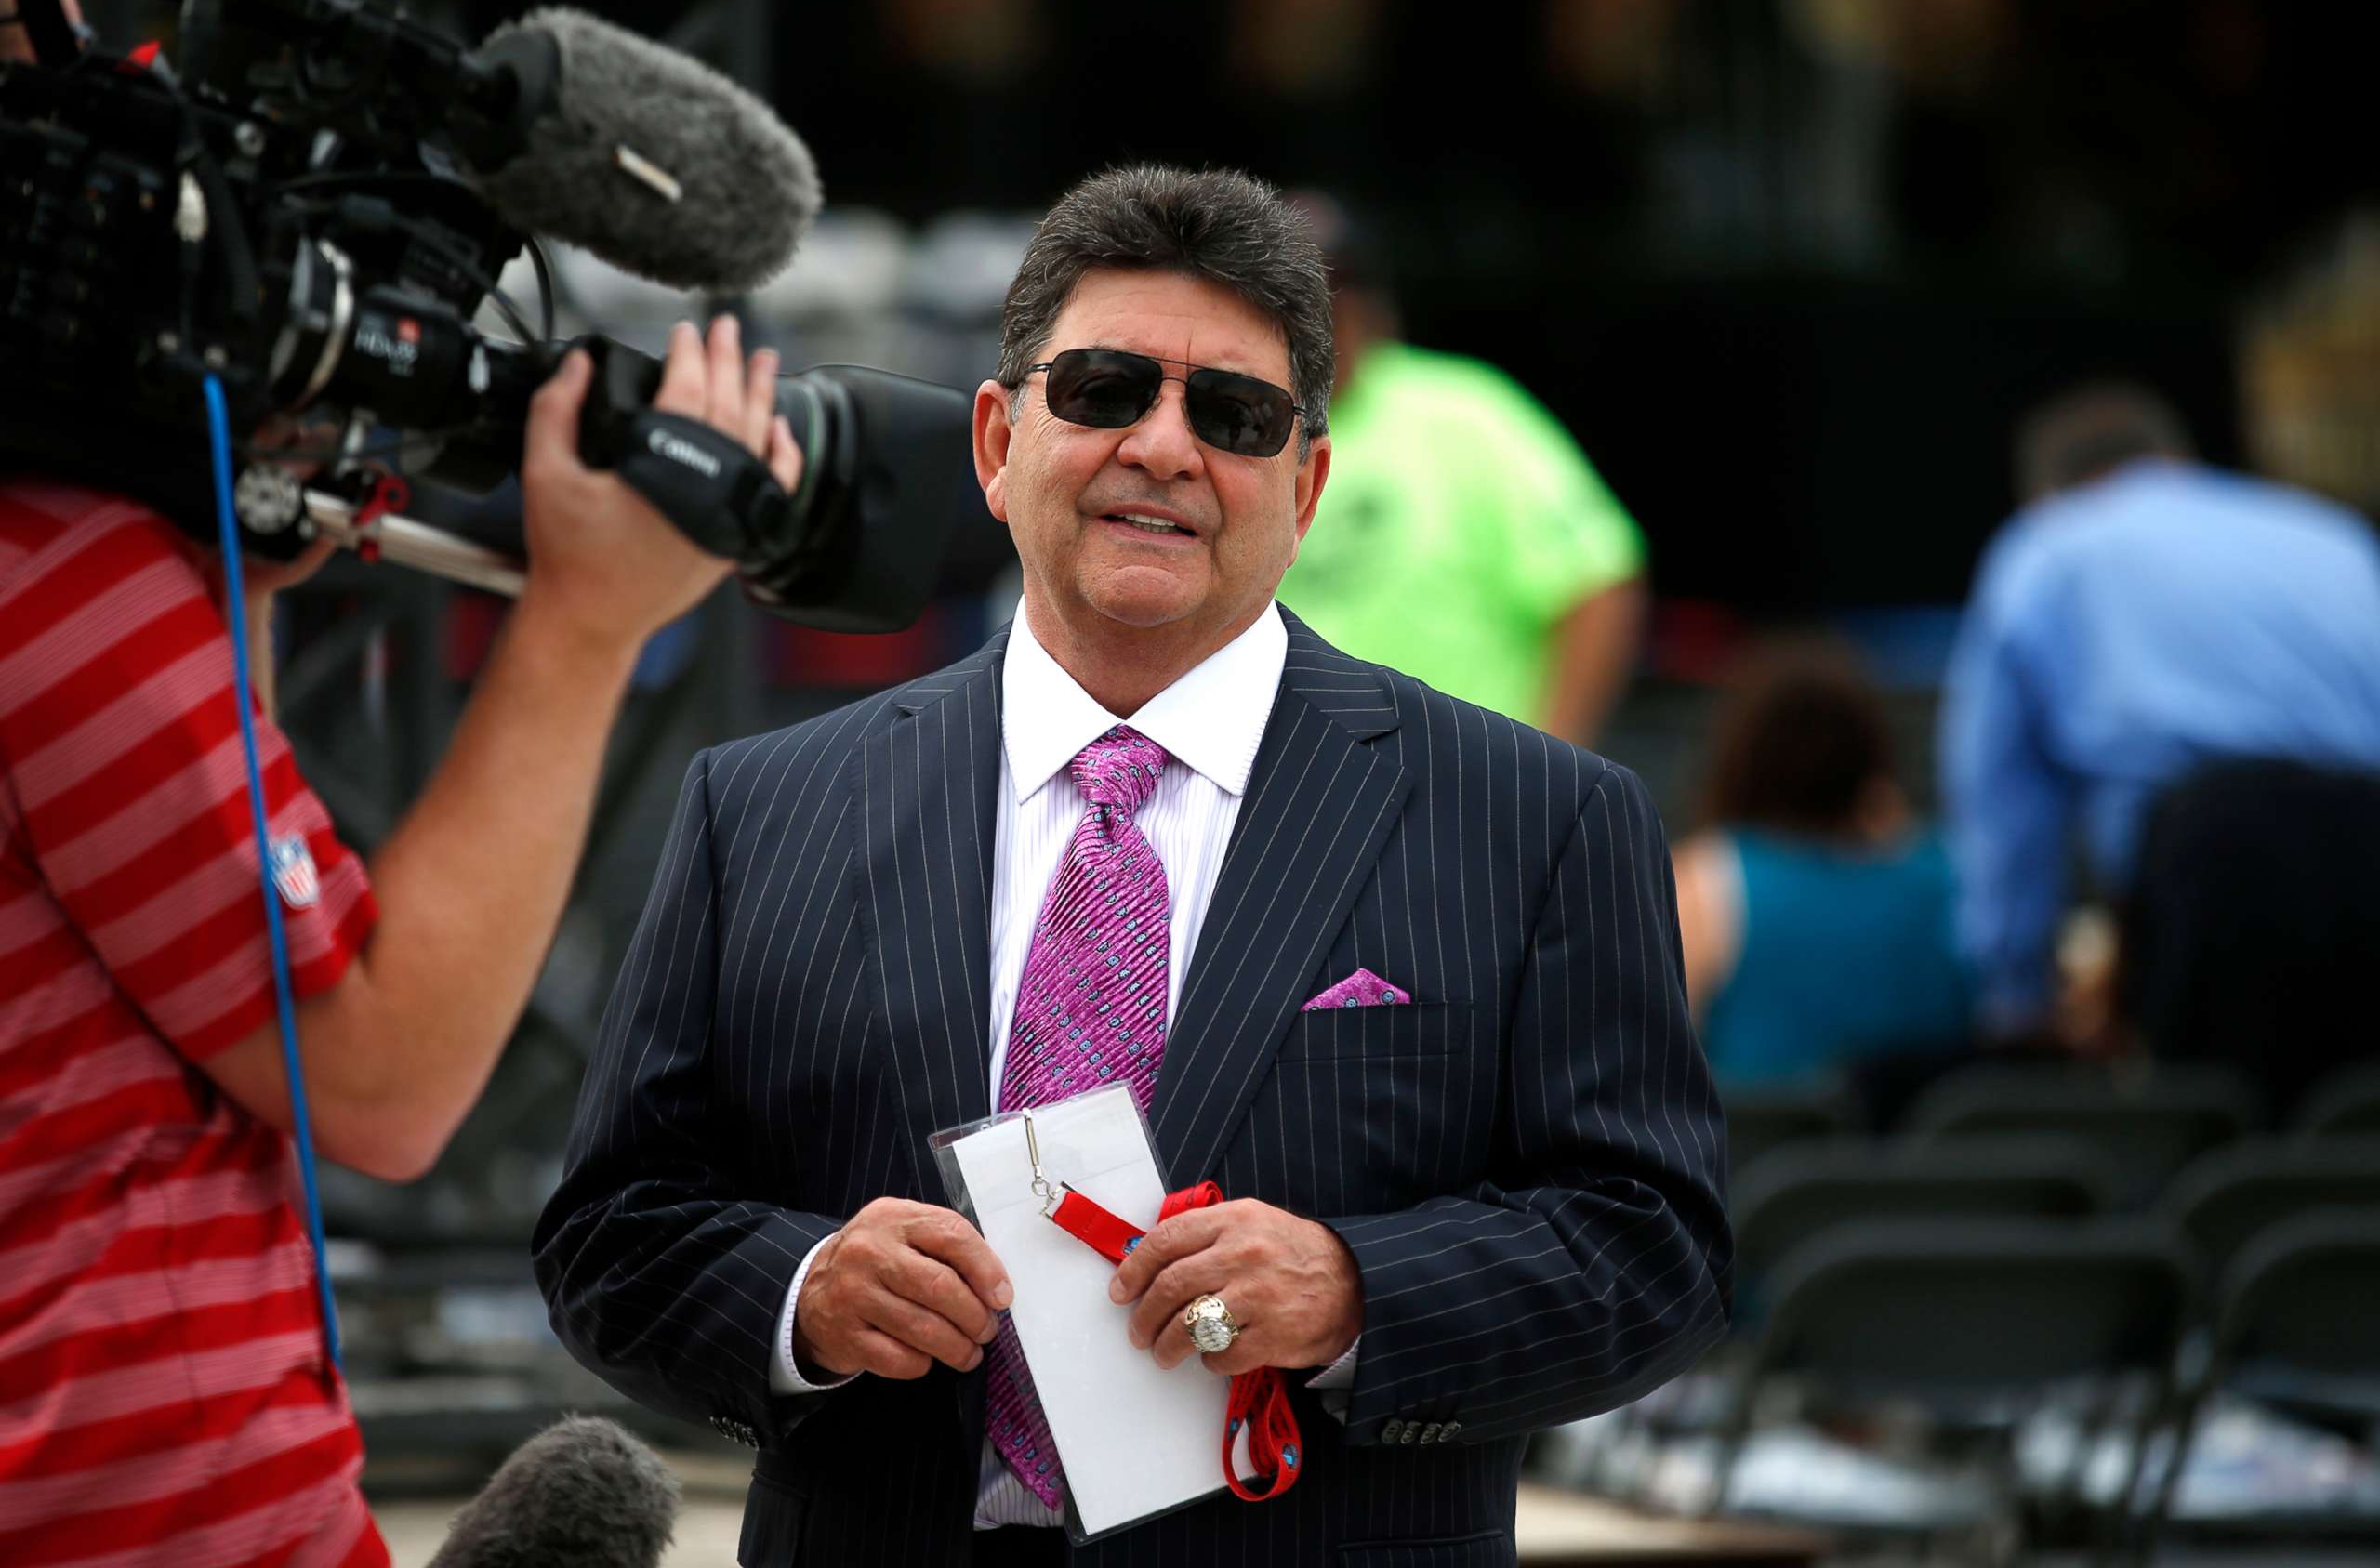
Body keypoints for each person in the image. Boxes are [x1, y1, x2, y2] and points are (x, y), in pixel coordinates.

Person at [536, 165, 1730, 1568]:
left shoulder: (1537, 818)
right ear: (995, 441)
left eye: (1234, 415)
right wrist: (800, 1296)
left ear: (1309, 484)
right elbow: (613, 1231)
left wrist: (1358, 1293)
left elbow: (1660, 1251)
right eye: (1104, 389)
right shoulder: (763, 806)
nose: (1164, 448)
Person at [0, 0, 804, 1541]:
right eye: (31, 8)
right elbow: (374, 1071)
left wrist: (231, 602)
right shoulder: (47, 582)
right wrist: (586, 620)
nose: (87, 48)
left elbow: (169, 963)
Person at [1940, 382, 2380, 1050]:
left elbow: (2002, 798)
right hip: (2369, 836)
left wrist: (2017, 997)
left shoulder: (2047, 547)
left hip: (2218, 861)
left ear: (2050, 492)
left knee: (2209, 1126)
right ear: (2177, 463)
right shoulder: (2330, 533)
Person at [1273, 194, 1647, 746]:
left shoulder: (1465, 416)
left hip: (1465, 791)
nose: (1318, 313)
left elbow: (1598, 579)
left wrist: (1549, 767)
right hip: (1287, 791)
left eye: (1337, 288)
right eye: (1287, 295)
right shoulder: (1232, 420)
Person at [1671, 639, 1971, 1089]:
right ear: (1872, 755)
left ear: (1740, 756)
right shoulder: (1950, 876)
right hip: (1936, 1158)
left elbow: (1644, 1072)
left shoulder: (1703, 882)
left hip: (1748, 1154)